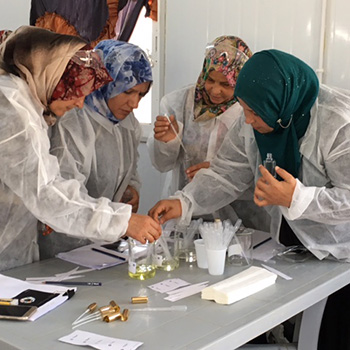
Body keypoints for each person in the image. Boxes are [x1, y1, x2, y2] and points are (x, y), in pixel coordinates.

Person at [149, 49, 350, 348]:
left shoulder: (338, 123)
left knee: (331, 333)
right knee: (297, 329)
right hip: (293, 247)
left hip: (341, 255)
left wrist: (298, 198)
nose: (247, 120)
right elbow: (227, 173)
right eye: (243, 108)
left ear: (279, 103)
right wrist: (185, 202)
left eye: (254, 112)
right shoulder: (257, 119)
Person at [0, 26, 161, 271]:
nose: (79, 103)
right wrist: (121, 221)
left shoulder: (31, 107)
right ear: (52, 77)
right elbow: (46, 192)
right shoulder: (13, 109)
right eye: (76, 92)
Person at [39, 40, 153, 258]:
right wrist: (121, 220)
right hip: (64, 245)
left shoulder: (127, 123)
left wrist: (130, 188)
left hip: (105, 246)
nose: (134, 103)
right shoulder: (74, 122)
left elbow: (129, 168)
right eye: (128, 91)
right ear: (105, 82)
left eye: (141, 94)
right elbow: (65, 196)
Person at [147, 35, 268, 227]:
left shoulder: (252, 110)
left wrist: (219, 174)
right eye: (210, 79)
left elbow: (262, 171)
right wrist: (168, 142)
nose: (214, 90)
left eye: (226, 84)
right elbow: (162, 165)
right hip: (187, 214)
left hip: (242, 218)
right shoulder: (178, 104)